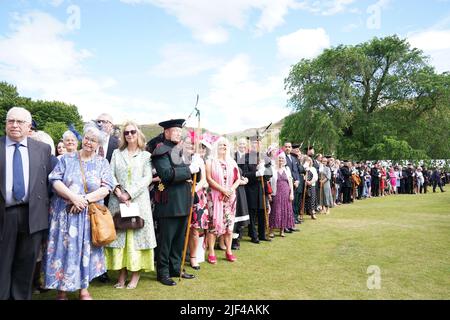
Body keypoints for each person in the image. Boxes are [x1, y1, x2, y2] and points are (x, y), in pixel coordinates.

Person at [42, 125, 114, 300]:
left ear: (99, 144)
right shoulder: (67, 159)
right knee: (63, 250)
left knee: (85, 251)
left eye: (93, 140)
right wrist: (73, 197)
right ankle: (62, 290)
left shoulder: (102, 163)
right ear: (83, 138)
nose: (89, 142)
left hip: (87, 217)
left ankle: (84, 289)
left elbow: (107, 188)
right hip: (64, 215)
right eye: (87, 138)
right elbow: (55, 180)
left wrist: (84, 199)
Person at [0, 107, 52, 300]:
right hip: (4, 214)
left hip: (33, 215)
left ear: (29, 126)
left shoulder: (43, 149)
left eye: (20, 122)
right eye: (10, 121)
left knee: (26, 265)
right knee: (2, 264)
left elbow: (54, 181)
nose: (14, 125)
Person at [105, 121, 157, 289]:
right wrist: (119, 192)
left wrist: (129, 193)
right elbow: (109, 174)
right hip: (118, 201)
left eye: (132, 132)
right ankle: (121, 276)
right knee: (121, 237)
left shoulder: (145, 156)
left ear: (138, 134)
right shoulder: (116, 153)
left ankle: (135, 276)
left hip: (138, 201)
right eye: (126, 133)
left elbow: (147, 178)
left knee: (136, 238)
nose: (129, 135)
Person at [151, 119, 198, 286]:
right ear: (166, 133)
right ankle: (163, 272)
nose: (178, 134)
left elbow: (193, 177)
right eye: (175, 131)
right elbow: (166, 174)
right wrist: (188, 170)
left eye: (180, 131)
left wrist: (196, 165)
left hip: (184, 200)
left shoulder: (181, 151)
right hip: (169, 202)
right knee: (166, 240)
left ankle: (176, 268)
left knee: (179, 239)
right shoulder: (161, 151)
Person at [205, 137, 241, 264]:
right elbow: (209, 179)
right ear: (216, 147)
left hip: (230, 198)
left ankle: (229, 251)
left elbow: (238, 179)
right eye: (221, 145)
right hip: (215, 196)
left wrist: (229, 190)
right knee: (213, 225)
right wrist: (223, 190)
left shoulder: (232, 162)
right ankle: (211, 252)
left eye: (225, 145)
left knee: (229, 226)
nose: (223, 147)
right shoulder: (210, 161)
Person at [242, 135, 273, 243]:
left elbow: (270, 174)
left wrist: (264, 171)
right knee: (252, 213)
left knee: (262, 212)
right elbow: (244, 174)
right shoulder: (245, 157)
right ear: (250, 145)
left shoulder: (264, 157)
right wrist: (256, 173)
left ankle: (262, 234)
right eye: (254, 143)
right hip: (251, 189)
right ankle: (253, 235)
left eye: (258, 143)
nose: (256, 145)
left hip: (262, 188)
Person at [268, 151, 295, 237]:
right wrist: (269, 194)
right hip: (276, 192)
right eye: (279, 158)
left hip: (286, 192)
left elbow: (290, 182)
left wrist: (292, 194)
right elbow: (269, 182)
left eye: (282, 158)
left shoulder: (287, 169)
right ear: (276, 159)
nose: (281, 160)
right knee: (275, 210)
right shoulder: (273, 169)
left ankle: (282, 230)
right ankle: (271, 230)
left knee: (284, 211)